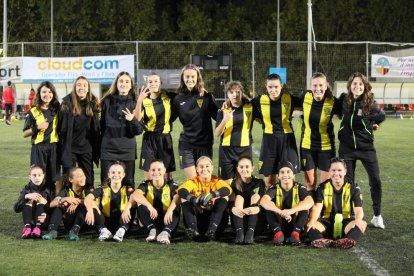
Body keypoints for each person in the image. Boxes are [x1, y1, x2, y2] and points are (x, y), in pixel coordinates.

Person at [338, 72, 386, 229]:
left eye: (360, 84)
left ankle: (377, 216)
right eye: (354, 83)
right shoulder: (343, 100)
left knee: (375, 180)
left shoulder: (370, 103)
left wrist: (371, 123)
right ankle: (350, 213)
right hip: (346, 148)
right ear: (350, 85)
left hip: (366, 148)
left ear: (364, 86)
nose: (357, 86)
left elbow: (382, 116)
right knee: (347, 182)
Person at [251, 73, 301, 189]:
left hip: (287, 140)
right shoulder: (260, 100)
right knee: (269, 180)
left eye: (276, 87)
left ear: (281, 86)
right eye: (270, 87)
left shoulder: (289, 99)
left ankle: (288, 202)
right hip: (269, 141)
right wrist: (227, 102)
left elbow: (309, 103)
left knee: (288, 177)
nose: (273, 90)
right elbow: (244, 104)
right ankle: (270, 204)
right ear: (266, 86)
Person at [306, 157, 367, 249]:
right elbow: (317, 208)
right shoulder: (322, 187)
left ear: (345, 172)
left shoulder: (353, 187)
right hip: (327, 223)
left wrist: (358, 219)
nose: (336, 173)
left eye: (339, 170)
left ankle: (348, 240)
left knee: (362, 223)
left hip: (347, 223)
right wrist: (312, 220)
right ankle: (319, 240)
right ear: (329, 172)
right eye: (333, 170)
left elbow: (358, 209)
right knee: (309, 224)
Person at [172, 64, 218, 180]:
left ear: (198, 78)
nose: (190, 79)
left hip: (205, 145)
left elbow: (219, 116)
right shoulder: (178, 99)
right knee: (193, 181)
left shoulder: (207, 96)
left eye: (193, 76)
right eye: (187, 77)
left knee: (204, 181)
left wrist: (229, 105)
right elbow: (168, 119)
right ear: (183, 78)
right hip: (186, 145)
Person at [100, 71, 143, 188]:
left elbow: (139, 131)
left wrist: (132, 119)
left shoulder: (136, 103)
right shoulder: (106, 101)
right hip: (108, 149)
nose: (124, 84)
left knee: (128, 185)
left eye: (127, 81)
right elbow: (101, 126)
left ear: (131, 85)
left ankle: (128, 207)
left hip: (127, 150)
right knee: (106, 184)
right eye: (121, 81)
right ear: (116, 84)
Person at [300, 73, 341, 191]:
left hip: (326, 147)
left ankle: (323, 208)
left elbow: (348, 114)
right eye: (315, 85)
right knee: (310, 183)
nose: (318, 88)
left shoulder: (333, 102)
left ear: (326, 86)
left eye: (321, 85)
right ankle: (309, 208)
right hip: (307, 146)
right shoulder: (304, 96)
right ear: (310, 87)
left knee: (325, 184)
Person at [59, 76, 101, 191]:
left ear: (88, 88)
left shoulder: (93, 104)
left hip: (87, 148)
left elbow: (97, 128)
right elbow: (60, 128)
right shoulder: (66, 103)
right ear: (75, 88)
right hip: (70, 148)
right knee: (69, 179)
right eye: (79, 85)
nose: (81, 87)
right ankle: (68, 204)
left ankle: (87, 204)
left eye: (84, 85)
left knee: (88, 180)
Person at [125, 160, 180, 245]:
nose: (156, 172)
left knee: (175, 205)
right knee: (140, 202)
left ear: (164, 170)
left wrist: (170, 210)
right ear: (149, 171)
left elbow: (178, 197)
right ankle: (153, 230)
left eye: (159, 169)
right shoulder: (145, 184)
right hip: (150, 219)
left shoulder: (172, 184)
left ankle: (165, 232)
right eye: (153, 170)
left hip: (168, 220)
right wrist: (149, 206)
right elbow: (136, 195)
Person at [177, 156, 232, 241]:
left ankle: (212, 230)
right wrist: (193, 199)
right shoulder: (193, 181)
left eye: (207, 166)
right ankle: (193, 230)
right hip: (198, 220)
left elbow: (227, 189)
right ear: (197, 169)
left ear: (212, 168)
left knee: (224, 196)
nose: (204, 169)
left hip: (216, 222)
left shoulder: (216, 181)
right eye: (201, 166)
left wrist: (212, 195)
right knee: (184, 198)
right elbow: (181, 190)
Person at [260, 161, 313, 245]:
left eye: (288, 172)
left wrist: (291, 211)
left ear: (293, 175)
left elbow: (310, 201)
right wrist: (280, 212)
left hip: (294, 222)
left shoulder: (299, 187)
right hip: (279, 223)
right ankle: (278, 233)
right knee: (269, 207)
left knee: (304, 206)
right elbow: (263, 201)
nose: (285, 175)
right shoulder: (274, 188)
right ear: (278, 176)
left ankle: (295, 234)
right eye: (282, 172)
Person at [134, 73, 176, 180]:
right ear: (147, 84)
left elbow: (185, 96)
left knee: (166, 175)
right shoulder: (144, 100)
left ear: (160, 84)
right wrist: (139, 101)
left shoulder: (168, 96)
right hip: (149, 139)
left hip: (165, 138)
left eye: (156, 81)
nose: (153, 84)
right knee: (149, 173)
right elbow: (138, 118)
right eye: (150, 82)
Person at [23, 81, 60, 195]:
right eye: (44, 92)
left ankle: (52, 204)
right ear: (39, 94)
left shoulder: (57, 109)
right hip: (38, 148)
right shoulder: (34, 111)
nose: (47, 94)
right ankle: (38, 204)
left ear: (53, 94)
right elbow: (24, 133)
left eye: (50, 92)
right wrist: (37, 127)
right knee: (38, 178)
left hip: (54, 148)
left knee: (53, 178)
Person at [215, 81, 256, 184]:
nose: (235, 95)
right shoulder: (223, 109)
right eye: (231, 92)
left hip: (244, 149)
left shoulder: (251, 107)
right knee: (226, 184)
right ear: (227, 94)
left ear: (242, 93)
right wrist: (225, 119)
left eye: (238, 92)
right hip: (226, 151)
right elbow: (217, 133)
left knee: (244, 181)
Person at [84, 162, 135, 242]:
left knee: (133, 203)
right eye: (113, 172)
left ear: (124, 175)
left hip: (123, 221)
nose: (116, 175)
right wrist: (89, 210)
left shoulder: (127, 189)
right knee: (92, 203)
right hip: (105, 222)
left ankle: (122, 231)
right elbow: (88, 198)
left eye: (119, 172)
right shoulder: (103, 188)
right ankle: (103, 230)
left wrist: (128, 208)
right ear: (109, 174)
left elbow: (135, 198)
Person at [42, 167, 88, 241]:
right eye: (79, 176)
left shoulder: (87, 189)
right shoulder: (66, 190)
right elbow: (51, 204)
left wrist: (77, 202)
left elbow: (94, 202)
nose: (83, 178)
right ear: (71, 179)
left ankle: (74, 232)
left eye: (83, 175)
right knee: (59, 206)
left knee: (84, 208)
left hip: (84, 224)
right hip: (69, 222)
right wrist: (64, 199)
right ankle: (52, 231)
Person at [230, 156, 266, 244]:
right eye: (241, 167)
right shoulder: (234, 183)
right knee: (239, 198)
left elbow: (264, 201)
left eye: (247, 167)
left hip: (256, 224)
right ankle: (240, 234)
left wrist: (257, 208)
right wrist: (233, 209)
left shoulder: (259, 182)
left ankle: (250, 234)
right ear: (237, 169)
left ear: (252, 168)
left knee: (255, 196)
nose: (244, 169)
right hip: (240, 222)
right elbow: (230, 202)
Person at [14, 165, 50, 239]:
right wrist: (26, 197)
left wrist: (46, 203)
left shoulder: (49, 188)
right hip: (31, 220)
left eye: (39, 175)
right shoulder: (26, 189)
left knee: (40, 200)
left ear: (43, 176)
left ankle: (38, 228)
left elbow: (55, 209)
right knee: (28, 200)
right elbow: (16, 209)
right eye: (34, 175)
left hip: (44, 220)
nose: (37, 178)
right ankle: (28, 228)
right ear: (29, 176)